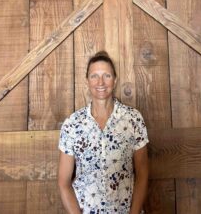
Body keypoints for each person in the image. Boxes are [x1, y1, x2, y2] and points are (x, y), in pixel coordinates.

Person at [58, 51, 149, 214]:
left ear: (114, 81)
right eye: (94, 76)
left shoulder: (133, 119)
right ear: (87, 81)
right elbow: (63, 182)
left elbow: (142, 174)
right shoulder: (72, 124)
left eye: (106, 75)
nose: (100, 82)